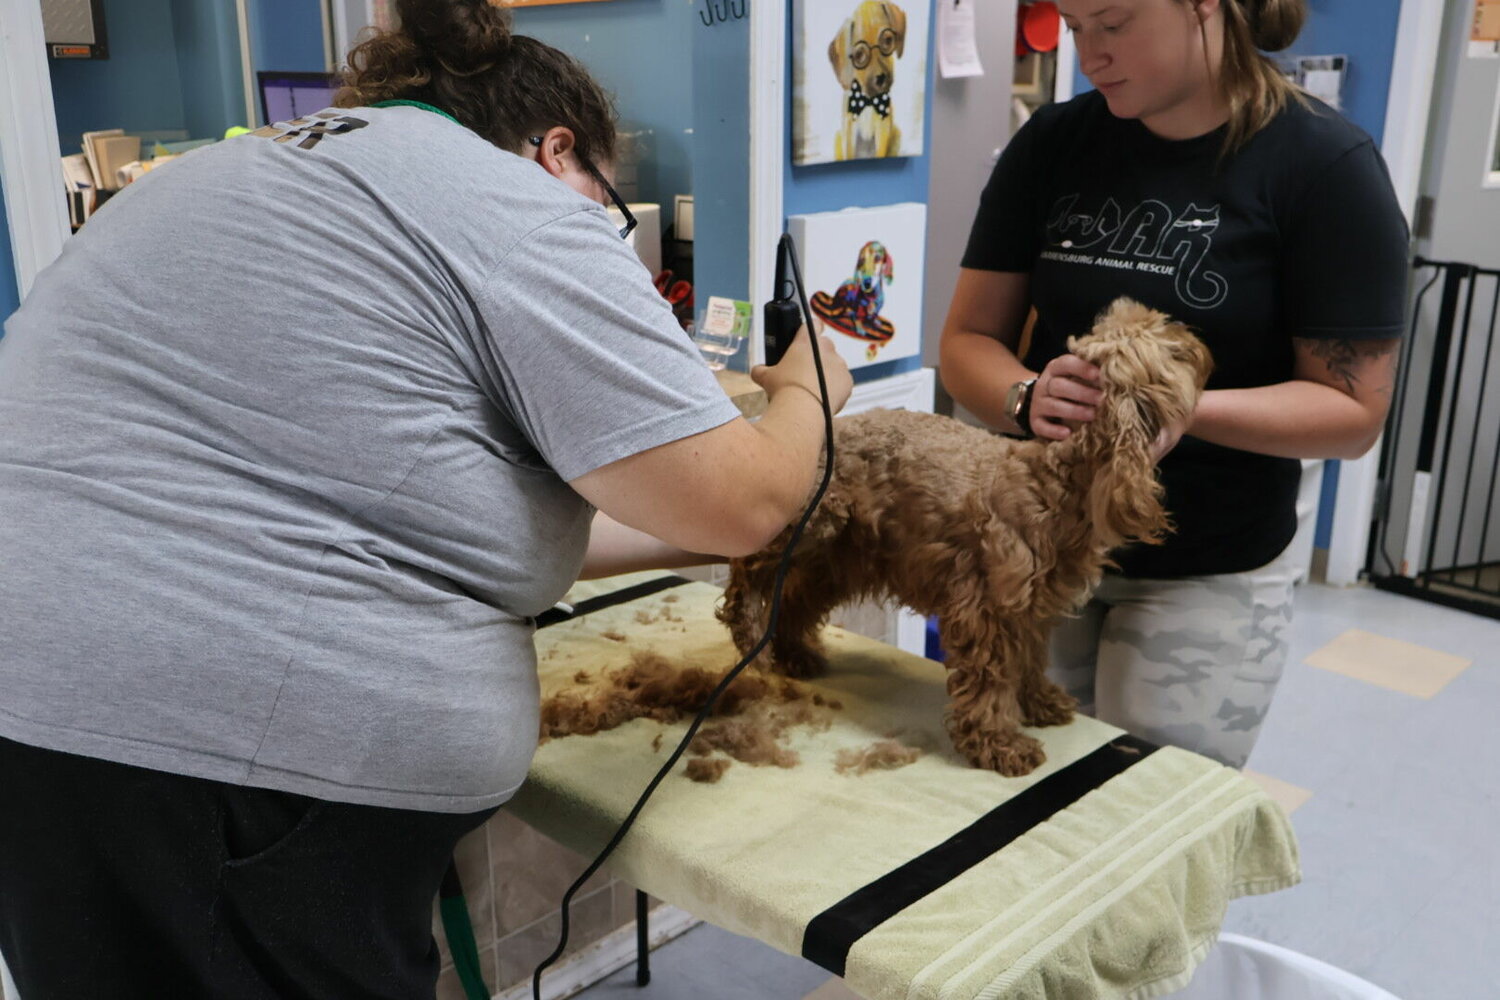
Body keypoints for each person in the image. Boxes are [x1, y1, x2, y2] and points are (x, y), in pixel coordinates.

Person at [0, 1, 851, 996]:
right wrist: (810, 395)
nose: (605, 234)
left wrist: (671, 538)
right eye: (607, 207)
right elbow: (751, 504)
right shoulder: (508, 197)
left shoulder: (247, 176)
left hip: (44, 711)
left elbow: (399, 505)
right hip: (218, 768)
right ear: (555, 149)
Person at [940, 0, 1408, 769]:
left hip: (1210, 565)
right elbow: (966, 342)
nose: (1091, 54)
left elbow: (1351, 413)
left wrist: (1181, 411)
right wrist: (1026, 396)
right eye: (1075, 26)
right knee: (1003, 812)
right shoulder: (1054, 144)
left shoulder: (1323, 167)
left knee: (1140, 831)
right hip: (1035, 540)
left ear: (1206, 8)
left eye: (1115, 25)